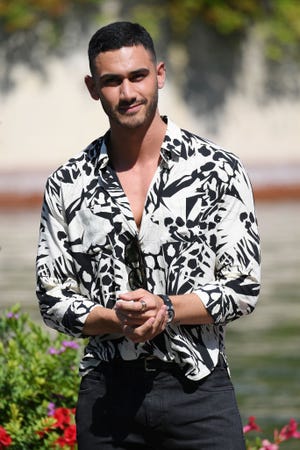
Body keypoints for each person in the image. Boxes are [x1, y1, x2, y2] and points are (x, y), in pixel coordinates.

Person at [36, 21, 261, 450]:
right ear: (92, 87)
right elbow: (52, 301)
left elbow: (242, 288)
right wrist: (115, 320)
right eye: (112, 81)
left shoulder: (219, 170)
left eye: (137, 76)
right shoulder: (67, 183)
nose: (128, 93)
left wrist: (166, 310)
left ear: (159, 74)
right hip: (106, 394)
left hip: (199, 390)